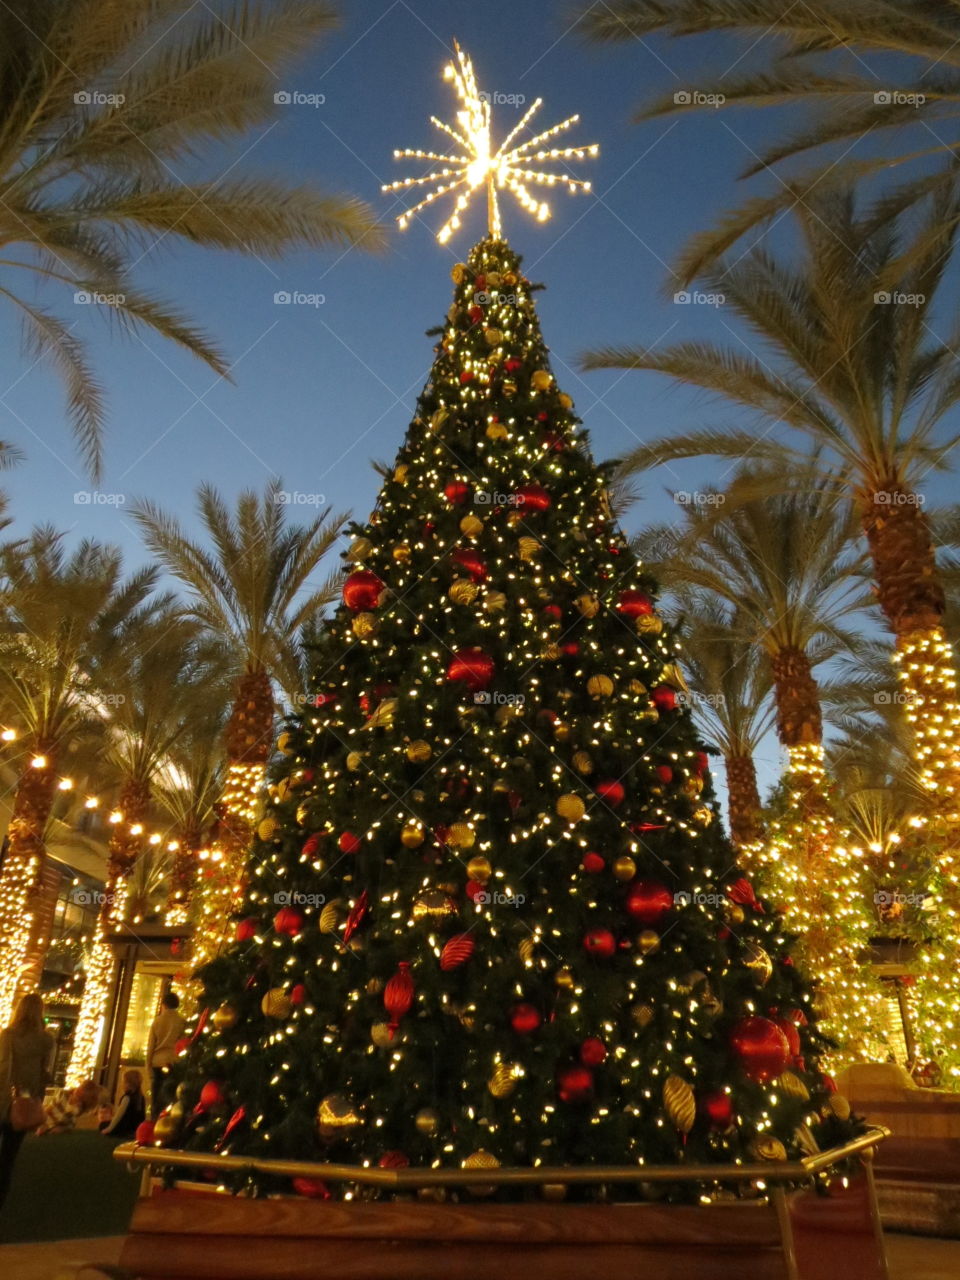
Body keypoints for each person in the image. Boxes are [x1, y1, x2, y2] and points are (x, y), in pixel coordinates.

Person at [0, 993, 55, 1209]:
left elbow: (3, 1066)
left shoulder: (8, 1035)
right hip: (26, 1101)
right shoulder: (46, 1040)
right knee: (8, 1157)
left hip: (3, 1097)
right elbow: (45, 1073)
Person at [147, 991, 185, 1118]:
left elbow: (151, 1045)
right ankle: (167, 1122)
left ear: (164, 1004)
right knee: (171, 1095)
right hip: (174, 1061)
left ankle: (154, 1121)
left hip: (157, 1061)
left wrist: (148, 1065)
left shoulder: (157, 1021)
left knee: (156, 1096)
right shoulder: (181, 1021)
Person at [36, 1079, 100, 1135]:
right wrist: (43, 1124)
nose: (77, 1093)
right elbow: (50, 1109)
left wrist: (61, 1128)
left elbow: (70, 1124)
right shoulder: (63, 1094)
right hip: (43, 1121)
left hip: (53, 1128)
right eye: (79, 1090)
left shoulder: (77, 1109)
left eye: (81, 1096)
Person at [100, 1069, 146, 1138]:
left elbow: (118, 1116)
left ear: (128, 1084)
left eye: (123, 1082)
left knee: (103, 1124)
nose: (122, 1084)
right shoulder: (141, 1097)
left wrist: (109, 1129)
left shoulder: (127, 1098)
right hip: (136, 1128)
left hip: (124, 1127)